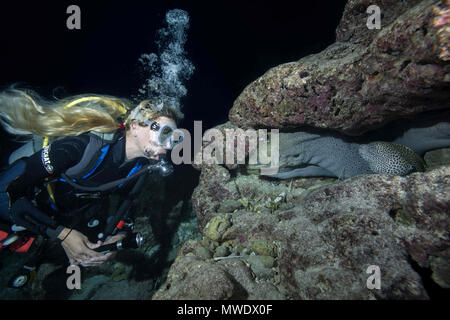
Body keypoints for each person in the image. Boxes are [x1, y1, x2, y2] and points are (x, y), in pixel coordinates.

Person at [0, 88, 184, 267]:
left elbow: (126, 213)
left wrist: (116, 240)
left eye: (175, 139)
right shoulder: (81, 146)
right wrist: (62, 235)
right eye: (165, 133)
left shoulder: (139, 169)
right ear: (135, 126)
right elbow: (11, 193)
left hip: (51, 217)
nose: (168, 145)